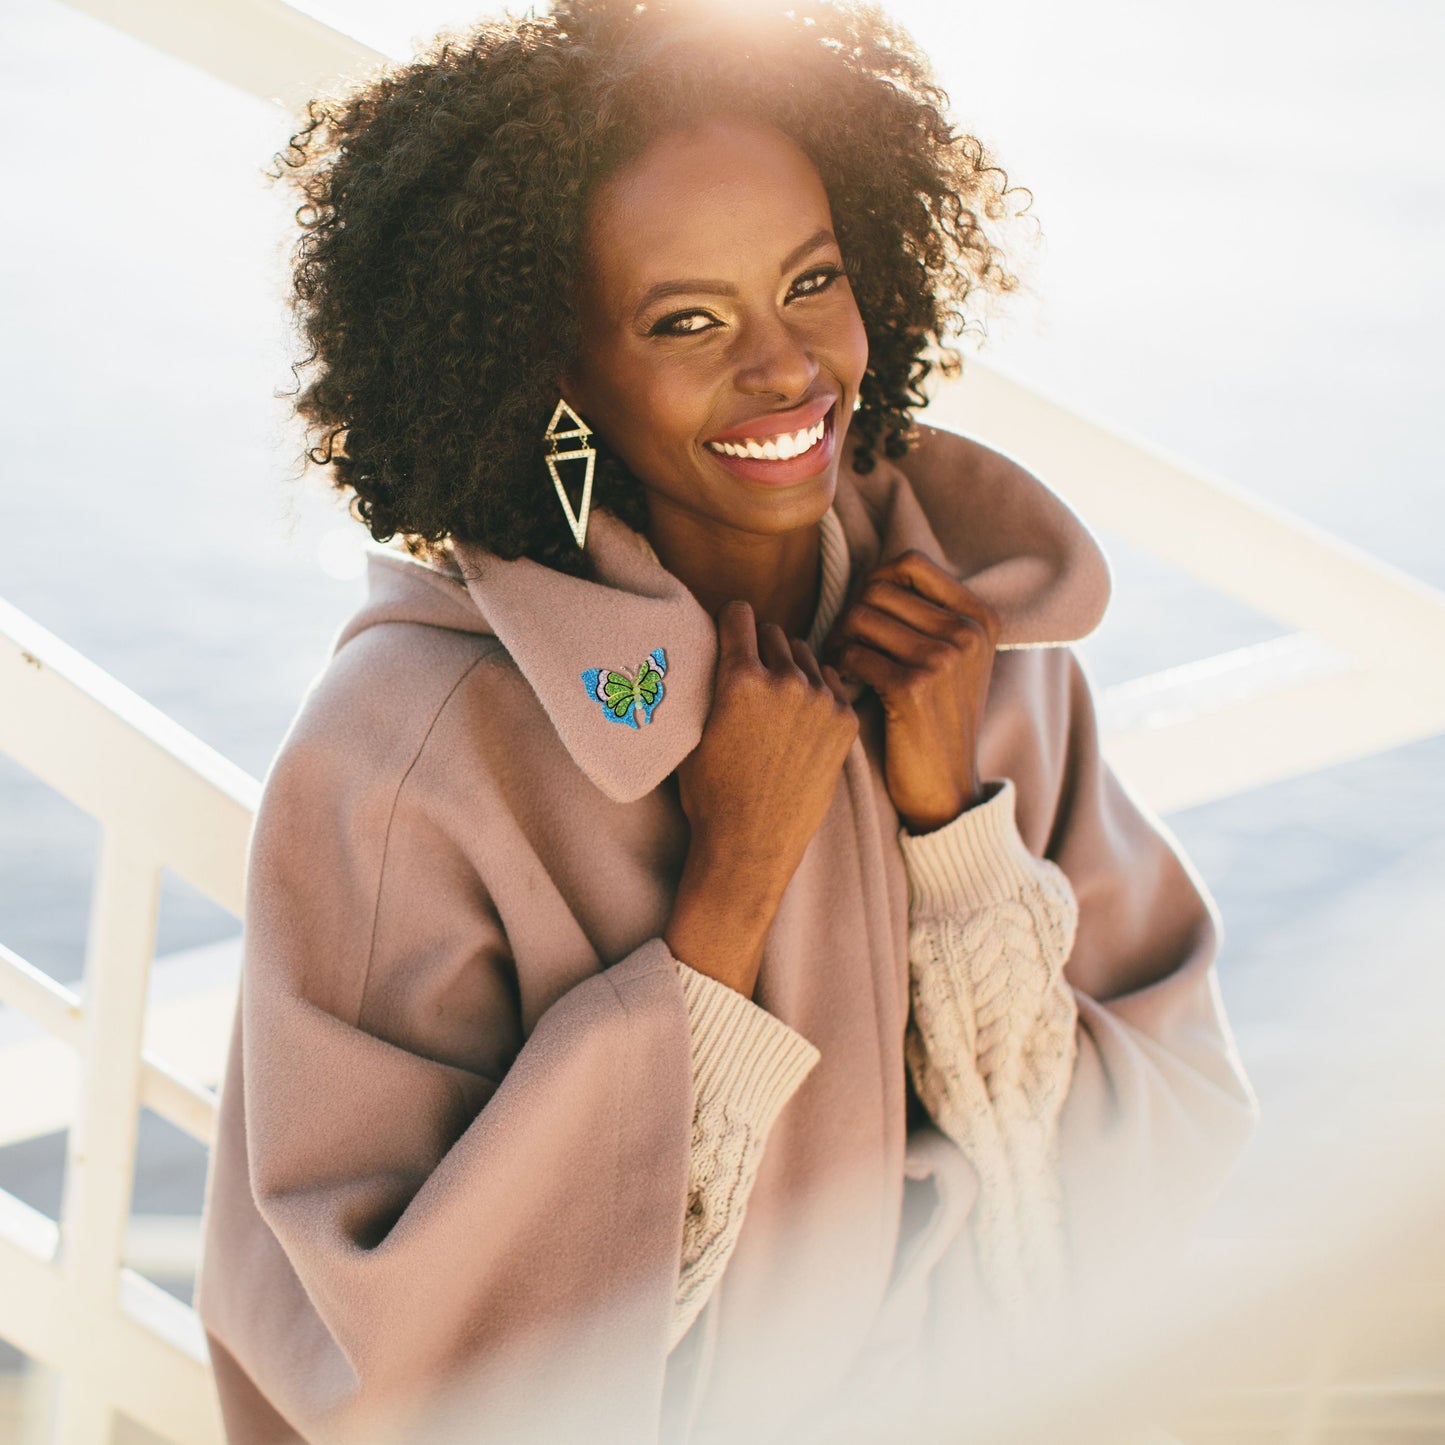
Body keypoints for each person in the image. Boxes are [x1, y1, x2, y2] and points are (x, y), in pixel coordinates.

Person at [194, 0, 1258, 1440]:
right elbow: (416, 1372)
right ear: (550, 367)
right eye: (684, 318)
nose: (784, 367)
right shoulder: (406, 760)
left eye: (810, 280)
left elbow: (1149, 1146)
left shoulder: (977, 639)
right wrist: (730, 891)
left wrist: (947, 824)